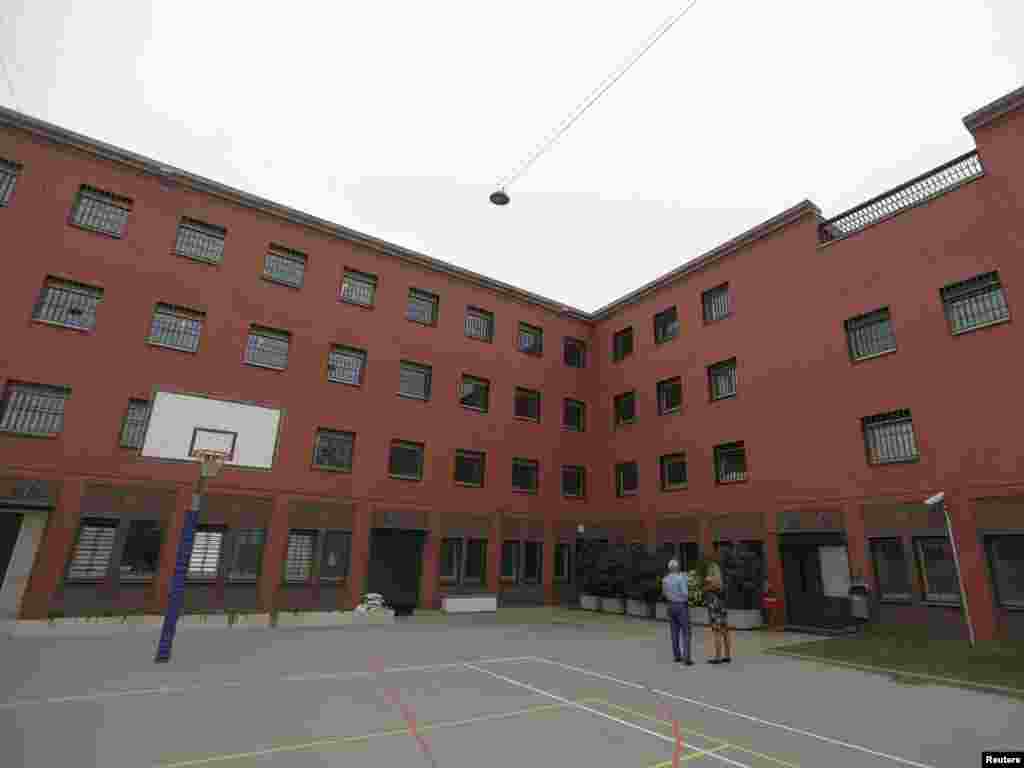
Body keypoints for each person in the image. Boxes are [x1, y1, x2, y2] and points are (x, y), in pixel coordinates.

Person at [661, 559, 692, 665]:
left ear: (669, 568)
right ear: (677, 568)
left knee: (674, 632)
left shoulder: (665, 579)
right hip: (681, 605)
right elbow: (685, 594)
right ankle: (686, 658)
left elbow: (664, 594)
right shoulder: (681, 578)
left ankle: (677, 656)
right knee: (686, 632)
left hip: (670, 605)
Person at [704, 558, 732, 664]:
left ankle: (718, 657)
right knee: (725, 632)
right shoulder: (721, 580)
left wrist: (705, 588)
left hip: (714, 607)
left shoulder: (711, 579)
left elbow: (709, 588)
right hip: (722, 606)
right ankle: (727, 656)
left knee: (716, 632)